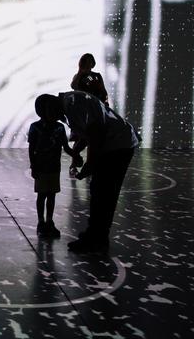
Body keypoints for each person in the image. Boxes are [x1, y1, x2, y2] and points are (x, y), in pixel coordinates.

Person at [34, 92, 139, 253]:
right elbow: (88, 131)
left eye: (47, 116)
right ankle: (95, 236)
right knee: (100, 191)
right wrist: (77, 152)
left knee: (103, 192)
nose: (51, 120)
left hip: (118, 145)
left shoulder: (73, 105)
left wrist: (89, 166)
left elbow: (95, 134)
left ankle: (97, 239)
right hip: (116, 143)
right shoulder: (70, 104)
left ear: (50, 105)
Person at [28, 97, 81, 238]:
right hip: (41, 167)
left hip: (54, 168)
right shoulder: (35, 127)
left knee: (51, 195)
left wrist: (75, 156)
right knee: (42, 195)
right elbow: (31, 148)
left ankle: (49, 221)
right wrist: (33, 166)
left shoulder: (59, 128)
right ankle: (41, 221)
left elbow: (65, 147)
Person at [68, 53, 109, 174]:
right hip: (81, 111)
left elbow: (103, 91)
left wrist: (105, 104)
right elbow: (73, 86)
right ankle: (73, 165)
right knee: (79, 137)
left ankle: (90, 165)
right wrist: (81, 72)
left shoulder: (96, 76)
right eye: (86, 61)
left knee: (93, 138)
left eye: (90, 61)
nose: (89, 64)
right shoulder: (79, 76)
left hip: (95, 110)